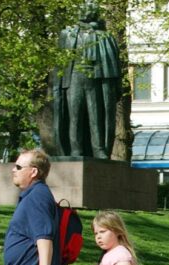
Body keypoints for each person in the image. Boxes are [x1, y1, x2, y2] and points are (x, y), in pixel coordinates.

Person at [54, 0, 120, 159]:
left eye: (87, 10)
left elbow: (112, 63)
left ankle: (98, 149)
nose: (83, 12)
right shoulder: (67, 34)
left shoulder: (104, 36)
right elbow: (59, 63)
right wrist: (57, 86)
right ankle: (75, 150)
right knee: (74, 116)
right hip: (74, 78)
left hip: (95, 78)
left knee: (95, 116)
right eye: (82, 9)